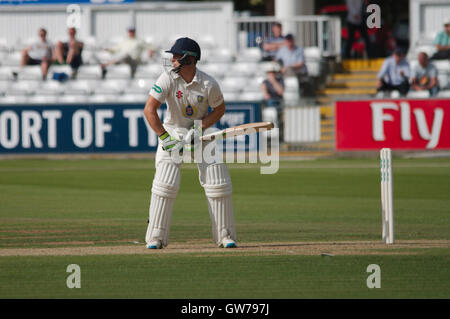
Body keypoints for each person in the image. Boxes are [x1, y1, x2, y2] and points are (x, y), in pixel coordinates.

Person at [142, 37, 237, 249]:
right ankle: (156, 236)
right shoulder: (166, 78)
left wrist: (200, 127)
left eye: (177, 56)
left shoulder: (208, 83)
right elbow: (149, 110)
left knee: (217, 181)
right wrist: (165, 138)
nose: (172, 60)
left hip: (200, 132)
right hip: (173, 130)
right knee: (165, 182)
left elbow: (220, 110)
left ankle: (225, 235)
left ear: (190, 59)